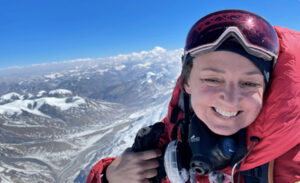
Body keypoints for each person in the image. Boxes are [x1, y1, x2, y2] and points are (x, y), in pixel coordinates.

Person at [86, 9, 300, 183]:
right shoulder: (170, 138)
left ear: (267, 88)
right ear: (186, 82)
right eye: (212, 79)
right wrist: (110, 177)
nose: (230, 99)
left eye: (249, 83)